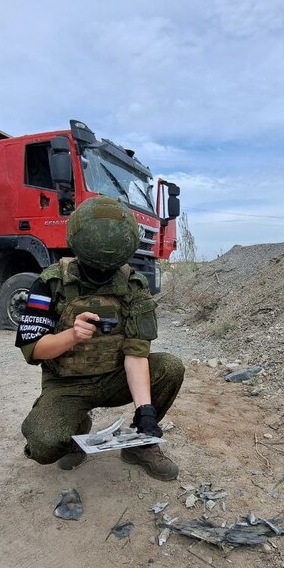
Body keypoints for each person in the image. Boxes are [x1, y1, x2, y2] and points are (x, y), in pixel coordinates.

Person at [15, 196, 185, 481]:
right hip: (67, 386)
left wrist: (145, 412)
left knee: (170, 367)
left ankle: (140, 446)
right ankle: (75, 430)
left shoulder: (133, 286)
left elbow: (136, 353)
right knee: (43, 444)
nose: (103, 275)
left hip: (114, 379)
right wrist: (72, 335)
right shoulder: (49, 283)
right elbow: (34, 350)